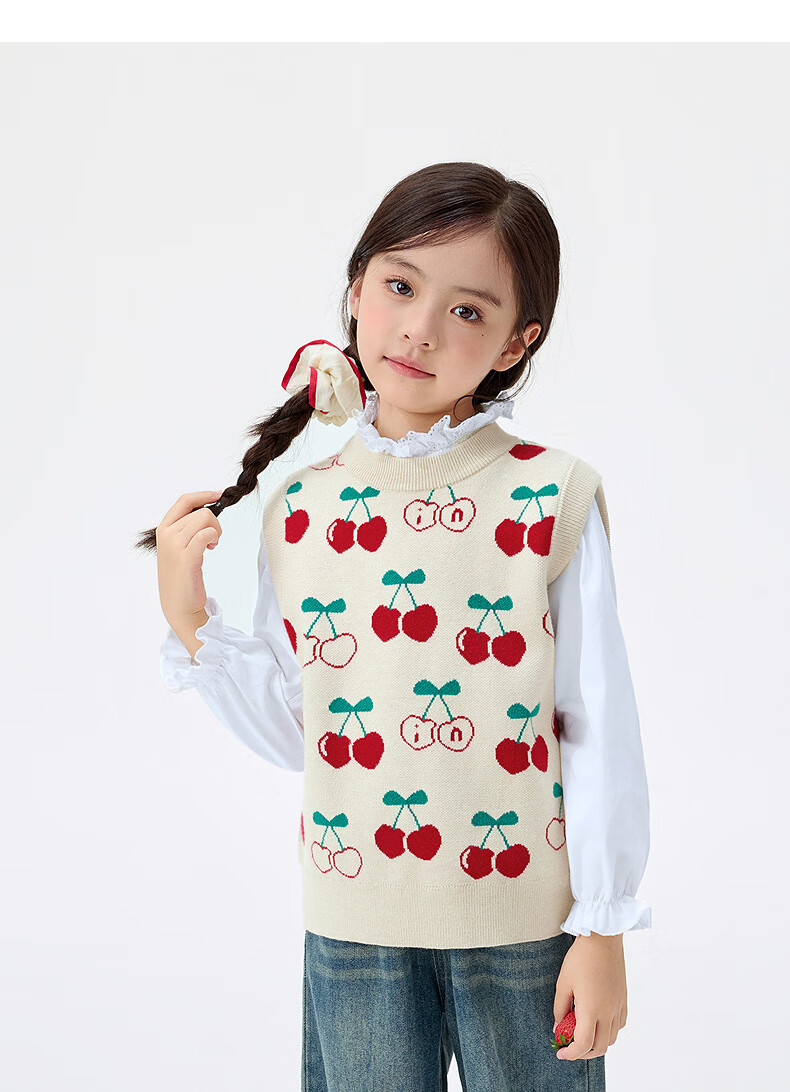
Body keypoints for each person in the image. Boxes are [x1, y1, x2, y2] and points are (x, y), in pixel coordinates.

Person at [137, 162, 652, 1092]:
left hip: (524, 925)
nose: (419, 329)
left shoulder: (550, 495)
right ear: (356, 290)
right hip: (354, 922)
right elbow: (311, 733)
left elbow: (597, 720)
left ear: (517, 341)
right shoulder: (302, 510)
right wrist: (191, 619)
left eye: (468, 310)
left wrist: (604, 925)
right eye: (401, 287)